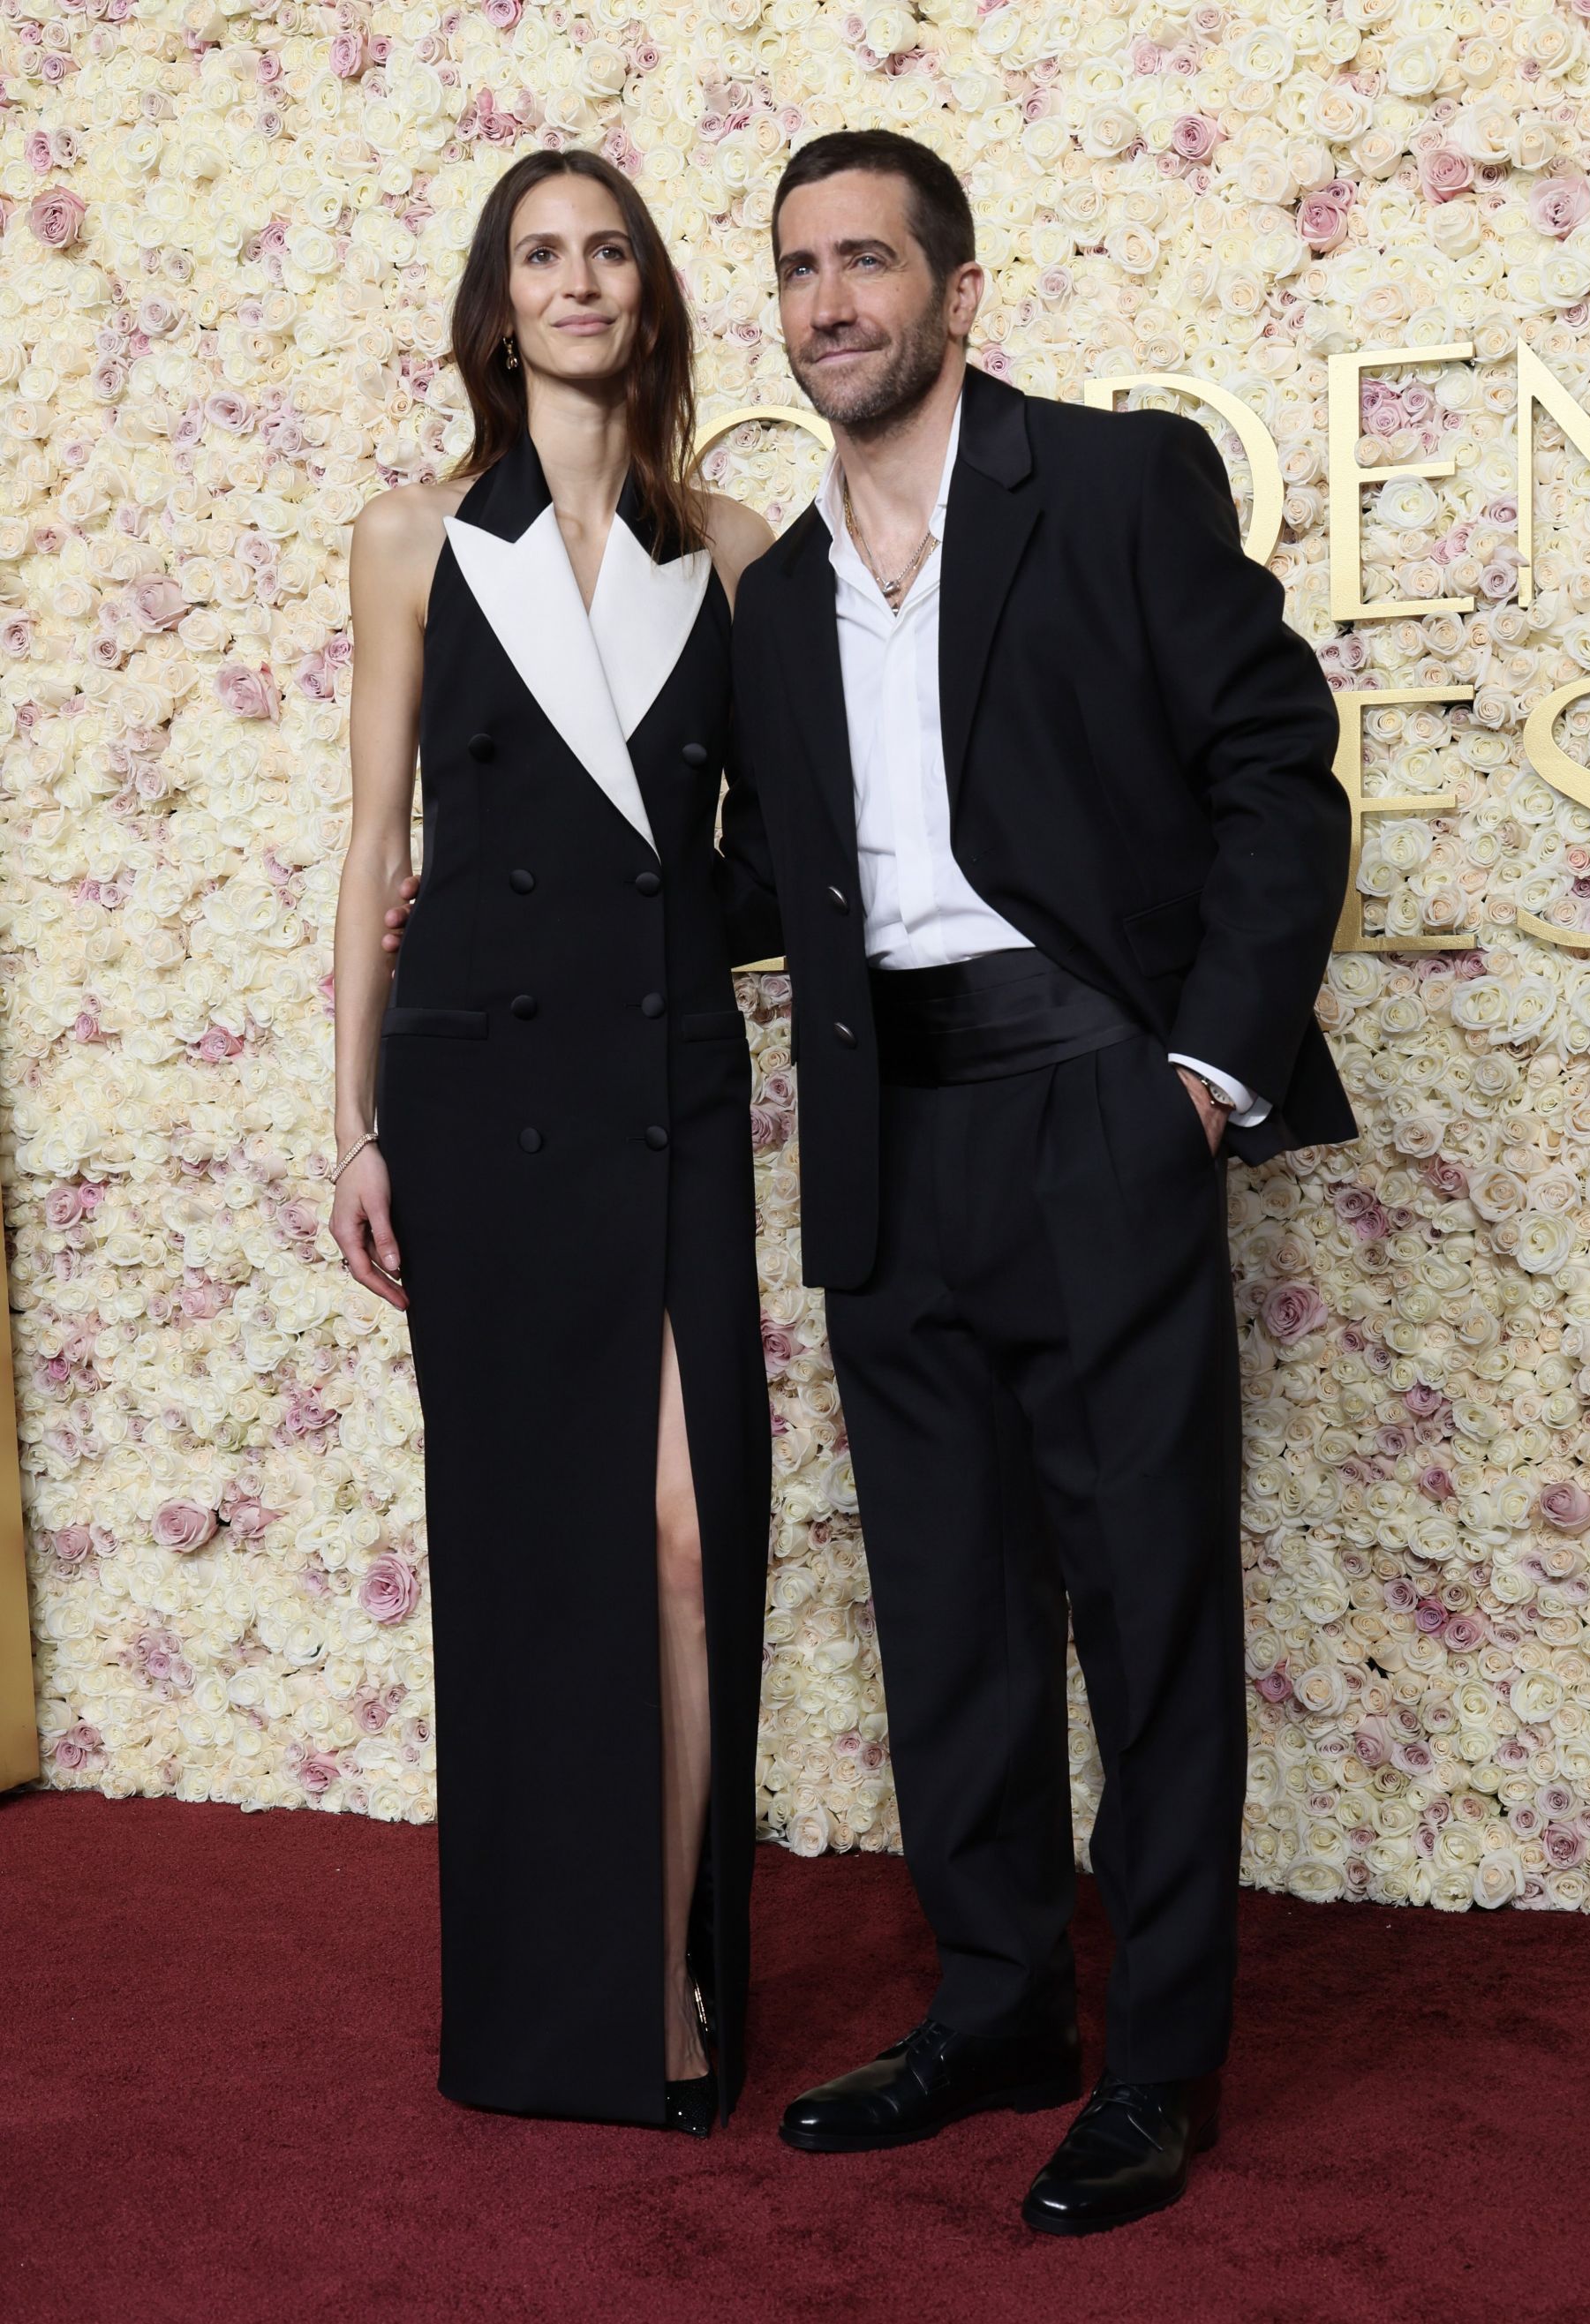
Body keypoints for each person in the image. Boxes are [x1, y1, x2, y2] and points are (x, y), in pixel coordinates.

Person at [716, 130, 1357, 2232]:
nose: (832, 301)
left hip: (1095, 1109)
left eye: (870, 261)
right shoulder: (782, 591)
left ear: (959, 292)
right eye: (802, 267)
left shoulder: (1103, 479)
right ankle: (999, 2006)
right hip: (889, 1142)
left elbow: (1278, 761)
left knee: (1147, 1606)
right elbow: (756, 882)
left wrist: (1202, 1070)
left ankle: (1157, 2060)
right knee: (949, 1618)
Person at [329, 148, 774, 2135]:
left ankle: (668, 1969)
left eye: (608, 251)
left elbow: (783, 855)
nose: (578, 281)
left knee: (686, 1541)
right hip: (480, 1099)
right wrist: (348, 1117)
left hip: (668, 1080)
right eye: (541, 255)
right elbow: (374, 842)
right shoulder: (414, 535)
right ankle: (556, 2017)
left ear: (651, 297)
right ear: (496, 307)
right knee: (527, 1560)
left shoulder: (740, 548)